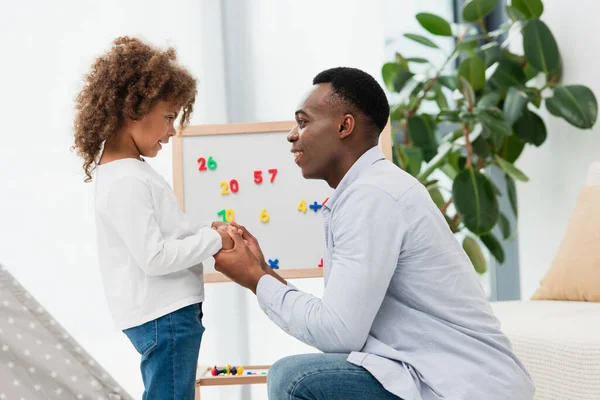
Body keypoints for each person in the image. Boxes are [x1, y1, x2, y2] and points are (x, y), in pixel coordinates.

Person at [214, 67, 535, 400]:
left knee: (294, 379)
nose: (293, 135)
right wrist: (263, 270)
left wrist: (255, 279)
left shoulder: (372, 196)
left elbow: (339, 334)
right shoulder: (371, 189)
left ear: (344, 126)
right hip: (432, 376)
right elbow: (341, 319)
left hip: (460, 387)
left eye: (304, 122)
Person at [72, 36, 233, 399]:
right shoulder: (127, 179)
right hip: (167, 319)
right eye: (169, 118)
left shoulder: (130, 172)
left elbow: (167, 229)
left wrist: (205, 228)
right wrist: (214, 240)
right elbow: (155, 257)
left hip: (168, 317)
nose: (173, 131)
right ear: (134, 108)